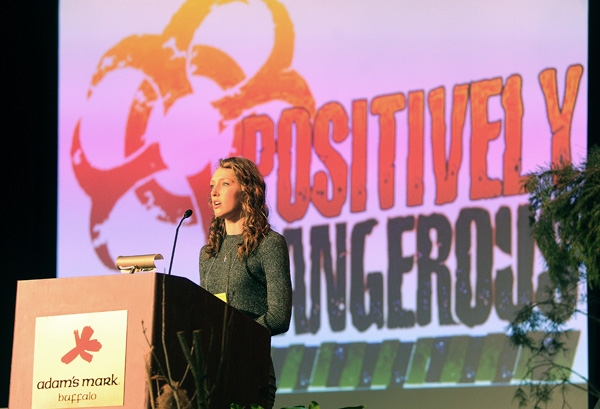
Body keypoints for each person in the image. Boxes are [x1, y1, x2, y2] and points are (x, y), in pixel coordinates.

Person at [199, 156, 292, 408]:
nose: (214, 193)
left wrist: (235, 339)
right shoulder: (208, 253)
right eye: (212, 185)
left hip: (251, 370)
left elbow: (278, 316)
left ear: (247, 191)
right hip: (211, 374)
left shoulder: (269, 245)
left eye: (225, 184)